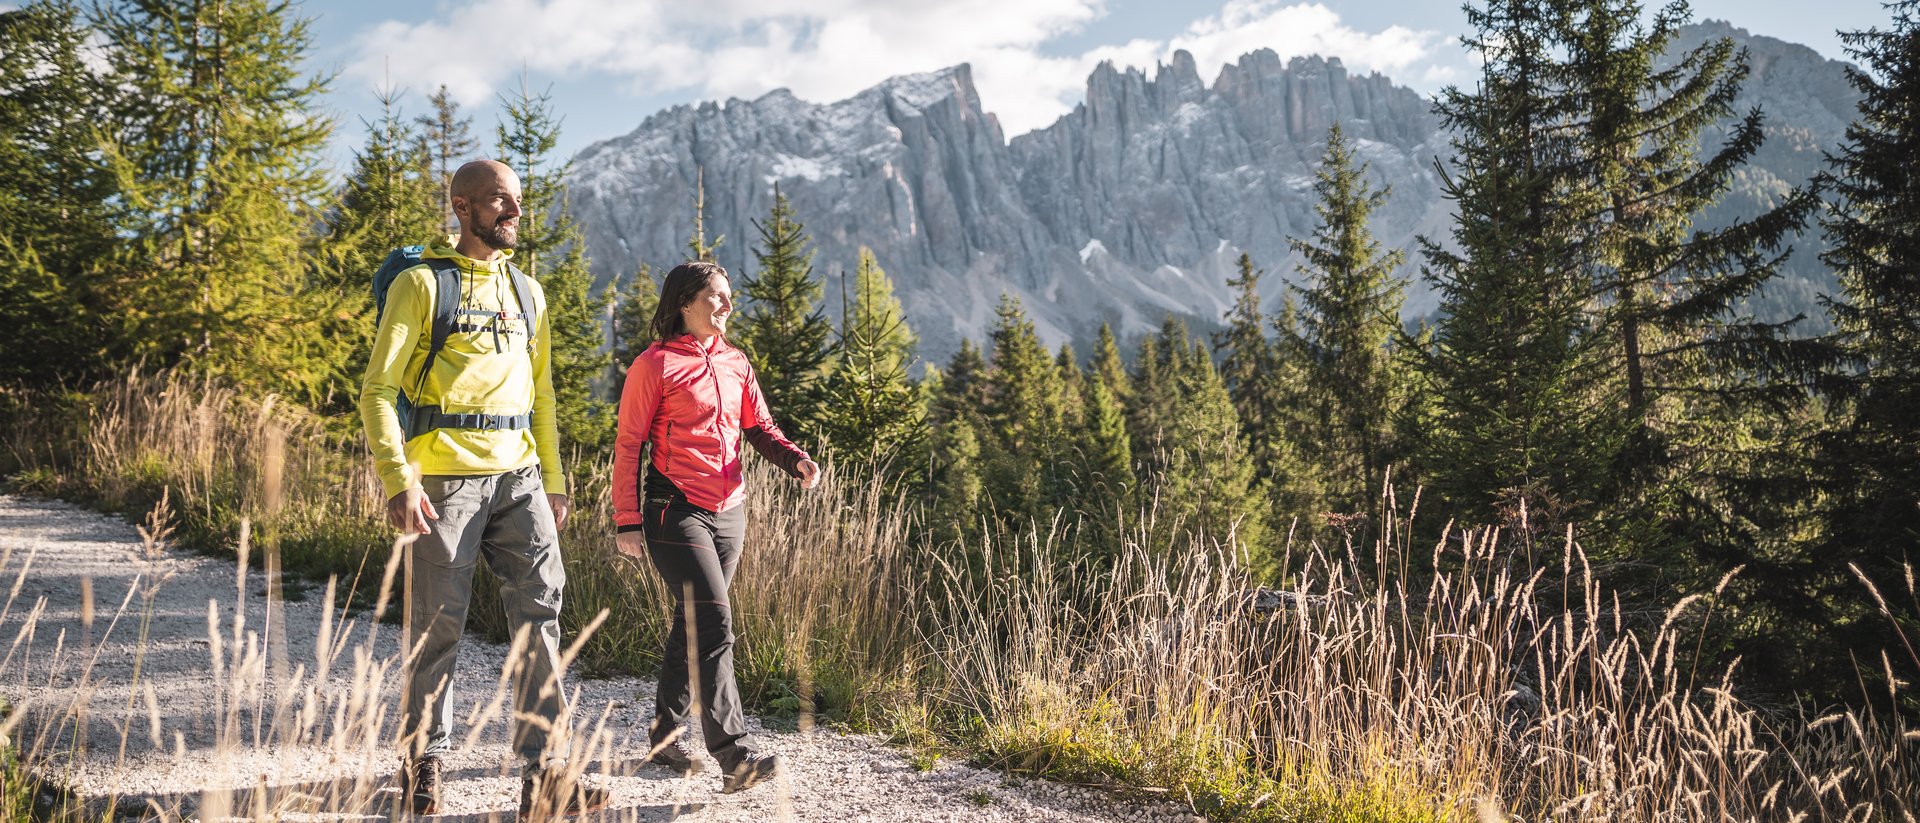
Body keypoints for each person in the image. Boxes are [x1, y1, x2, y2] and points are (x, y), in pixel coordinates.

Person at [360, 159, 607, 818]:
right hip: (442, 481)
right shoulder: (421, 284)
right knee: (436, 624)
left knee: (541, 612)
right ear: (463, 206)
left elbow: (541, 395)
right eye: (501, 200)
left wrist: (553, 480)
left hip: (520, 477)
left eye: (518, 200)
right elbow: (378, 390)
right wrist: (397, 476)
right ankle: (423, 763)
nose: (515, 212)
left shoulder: (527, 292)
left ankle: (544, 775)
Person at [612, 260, 821, 794]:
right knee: (714, 624)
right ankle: (733, 754)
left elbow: (759, 426)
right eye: (716, 296)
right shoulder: (655, 365)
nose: (727, 305)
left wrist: (794, 459)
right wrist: (627, 519)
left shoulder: (735, 361)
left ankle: (663, 737)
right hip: (674, 510)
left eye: (729, 296)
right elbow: (630, 444)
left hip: (730, 512)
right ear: (685, 303)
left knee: (694, 622)